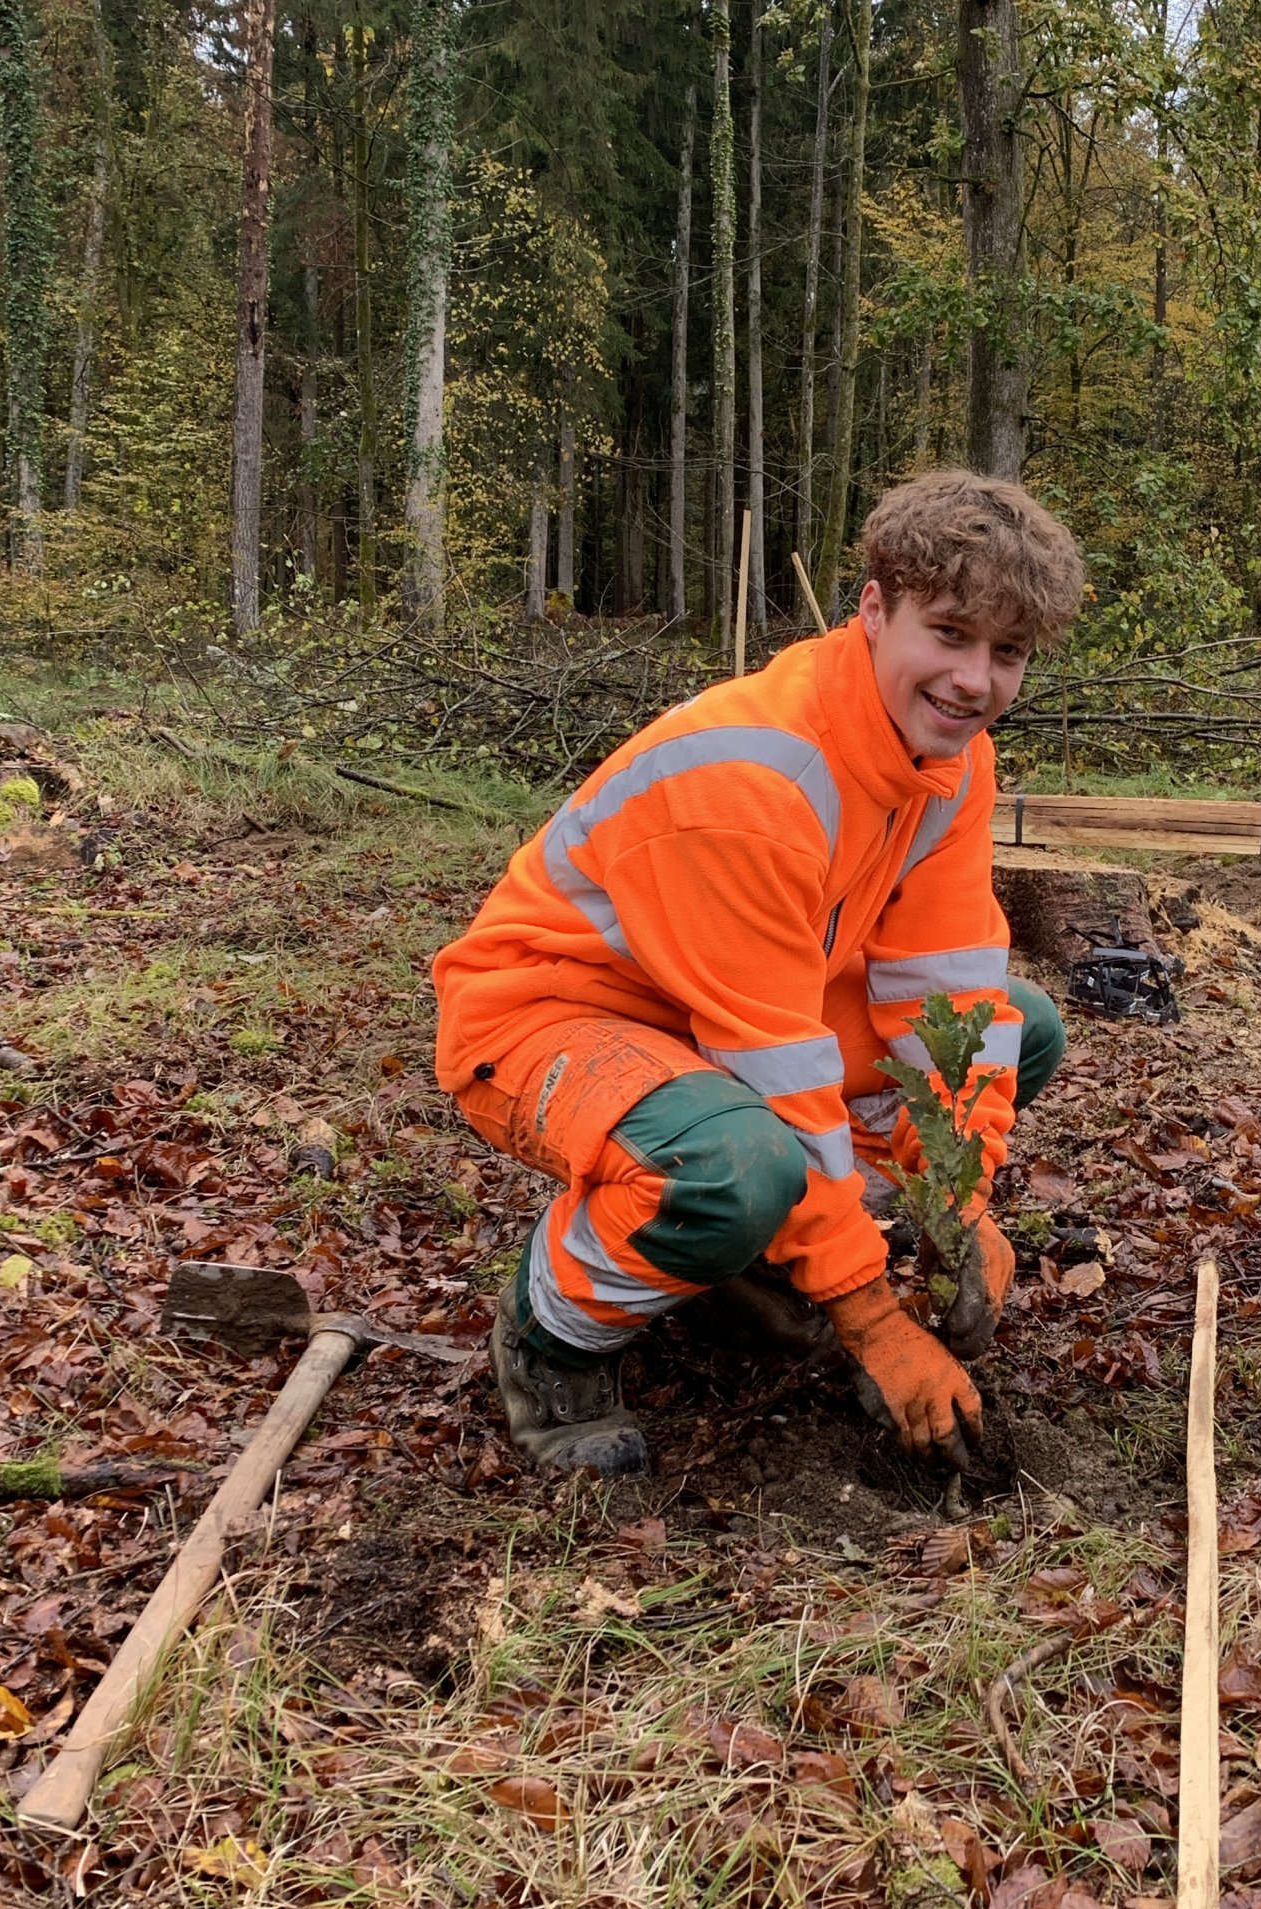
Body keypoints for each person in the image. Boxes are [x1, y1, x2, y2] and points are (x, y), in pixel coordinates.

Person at [431, 472, 1084, 1478]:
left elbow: (946, 996)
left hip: (726, 1016)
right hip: (548, 1016)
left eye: (1009, 653)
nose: (975, 680)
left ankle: (748, 1257)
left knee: (1016, 1025)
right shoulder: (750, 781)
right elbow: (778, 1075)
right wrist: (872, 1318)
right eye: (949, 634)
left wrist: (962, 1205)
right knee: (736, 1163)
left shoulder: (951, 761)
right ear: (874, 610)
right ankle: (553, 1334)